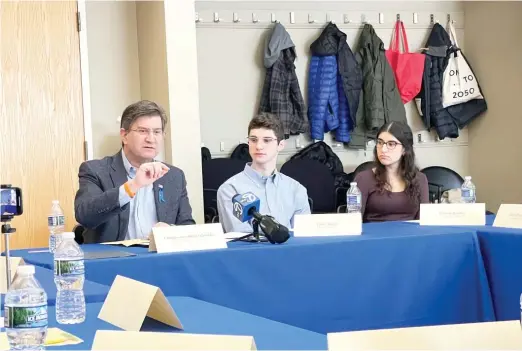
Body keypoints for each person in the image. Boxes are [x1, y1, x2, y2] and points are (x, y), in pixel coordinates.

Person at [74, 100, 195, 243]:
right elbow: (85, 215)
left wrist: (170, 230)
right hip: (115, 261)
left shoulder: (173, 176)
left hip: (159, 259)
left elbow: (188, 227)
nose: (151, 139)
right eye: (143, 131)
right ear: (124, 135)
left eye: (157, 132)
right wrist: (132, 186)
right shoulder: (95, 170)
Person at [217, 113, 310, 233]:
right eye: (253, 140)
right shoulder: (230, 190)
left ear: (280, 145)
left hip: (290, 251)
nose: (259, 146)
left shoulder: (296, 189)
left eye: (267, 140)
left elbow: (303, 236)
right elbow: (241, 238)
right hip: (250, 251)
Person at [354, 121, 429, 222]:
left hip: (409, 235)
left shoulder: (420, 179)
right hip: (375, 236)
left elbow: (423, 220)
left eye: (391, 144)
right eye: (380, 142)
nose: (383, 149)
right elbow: (353, 222)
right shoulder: (364, 179)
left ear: (404, 150)